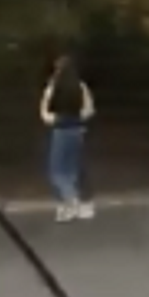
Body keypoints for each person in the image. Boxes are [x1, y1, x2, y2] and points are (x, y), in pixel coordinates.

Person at [39, 56, 96, 222]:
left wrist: (54, 119)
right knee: (76, 167)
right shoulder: (80, 87)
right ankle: (84, 205)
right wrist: (77, 118)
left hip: (60, 130)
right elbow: (89, 110)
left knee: (57, 170)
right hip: (77, 129)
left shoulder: (52, 88)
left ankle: (68, 202)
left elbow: (44, 112)